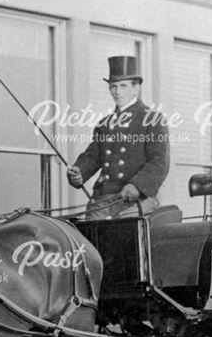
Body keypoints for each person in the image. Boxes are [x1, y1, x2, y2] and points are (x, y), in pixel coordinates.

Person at [67, 56, 169, 220]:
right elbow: (93, 157)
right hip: (103, 198)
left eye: (123, 86)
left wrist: (137, 185)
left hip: (136, 198)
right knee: (89, 238)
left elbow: (159, 162)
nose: (117, 91)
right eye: (113, 86)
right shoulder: (105, 124)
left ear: (136, 88)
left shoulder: (152, 119)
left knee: (123, 236)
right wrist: (79, 171)